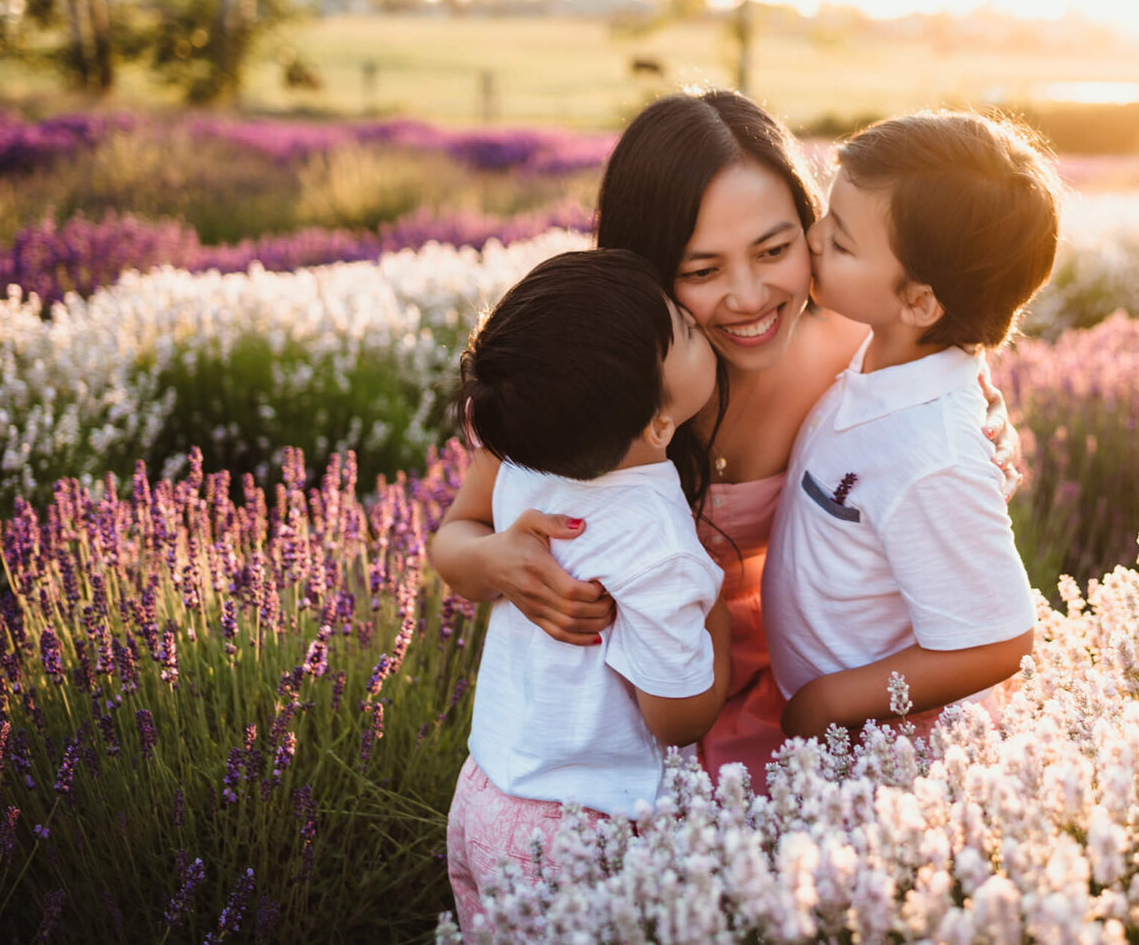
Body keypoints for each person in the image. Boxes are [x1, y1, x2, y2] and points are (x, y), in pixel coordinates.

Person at [435, 91, 1022, 791]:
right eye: (703, 271)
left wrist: (985, 417)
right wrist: (499, 562)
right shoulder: (596, 381)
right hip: (629, 713)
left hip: (800, 686)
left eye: (775, 251)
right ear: (647, 267)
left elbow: (937, 409)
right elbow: (455, 540)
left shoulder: (857, 355)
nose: (749, 298)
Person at [427, 249, 731, 924]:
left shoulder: (531, 443)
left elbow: (456, 528)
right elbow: (677, 716)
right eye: (683, 330)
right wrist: (717, 617)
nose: (695, 320)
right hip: (584, 829)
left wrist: (489, 550)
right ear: (659, 424)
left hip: (484, 793)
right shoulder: (656, 539)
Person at [765, 111, 1060, 737]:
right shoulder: (887, 347)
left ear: (921, 301)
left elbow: (1000, 643)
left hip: (881, 749)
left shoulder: (935, 453)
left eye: (841, 243)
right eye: (826, 215)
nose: (811, 239)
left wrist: (828, 703)